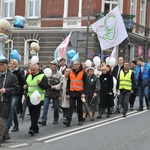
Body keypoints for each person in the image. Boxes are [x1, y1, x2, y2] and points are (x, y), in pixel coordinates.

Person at [24, 64, 48, 136]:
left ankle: (32, 128)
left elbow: (46, 87)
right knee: (31, 114)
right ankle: (36, 127)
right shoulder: (29, 75)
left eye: (33, 70)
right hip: (30, 97)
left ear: (38, 69)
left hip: (38, 98)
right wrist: (25, 87)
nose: (32, 71)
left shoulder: (43, 76)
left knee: (35, 114)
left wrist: (40, 83)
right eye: (31, 70)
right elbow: (28, 85)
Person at [0, 57, 19, 146]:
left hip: (5, 101)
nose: (0, 66)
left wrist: (6, 90)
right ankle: (5, 135)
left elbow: (16, 89)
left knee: (1, 121)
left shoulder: (12, 77)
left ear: (6, 66)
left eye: (2, 65)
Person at [63, 60, 88, 127]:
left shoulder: (83, 73)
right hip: (72, 92)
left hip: (80, 92)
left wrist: (84, 93)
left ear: (79, 65)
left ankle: (80, 120)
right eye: (74, 64)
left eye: (76, 64)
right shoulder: (70, 73)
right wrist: (67, 92)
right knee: (71, 107)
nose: (74, 66)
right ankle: (68, 121)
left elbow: (86, 84)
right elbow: (68, 83)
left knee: (79, 108)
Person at [38, 60, 62, 125]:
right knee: (45, 106)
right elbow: (43, 80)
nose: (50, 65)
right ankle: (43, 120)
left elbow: (61, 83)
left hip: (55, 93)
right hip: (48, 92)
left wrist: (54, 87)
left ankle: (56, 119)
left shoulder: (59, 74)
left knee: (56, 107)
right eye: (50, 64)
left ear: (55, 65)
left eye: (52, 64)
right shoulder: (46, 72)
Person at [6, 59, 25, 133]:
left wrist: (19, 91)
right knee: (12, 110)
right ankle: (16, 124)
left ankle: (7, 127)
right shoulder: (8, 72)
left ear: (16, 65)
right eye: (10, 63)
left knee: (11, 108)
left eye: (13, 64)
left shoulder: (19, 72)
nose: (11, 65)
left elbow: (22, 83)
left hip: (16, 93)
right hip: (9, 92)